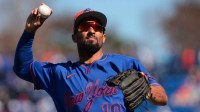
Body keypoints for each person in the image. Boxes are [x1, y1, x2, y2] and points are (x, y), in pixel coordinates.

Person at [13, 4, 168, 112]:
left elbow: (162, 97)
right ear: (74, 37)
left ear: (104, 37)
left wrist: (148, 91)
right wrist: (29, 31)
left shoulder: (125, 64)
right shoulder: (59, 74)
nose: (92, 30)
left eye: (98, 27)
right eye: (85, 27)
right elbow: (23, 67)